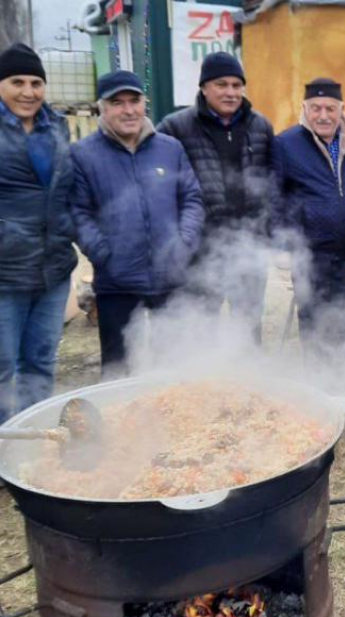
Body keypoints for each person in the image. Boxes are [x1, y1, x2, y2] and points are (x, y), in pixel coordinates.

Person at [71, 71, 205, 377]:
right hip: (117, 282)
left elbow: (192, 199)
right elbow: (78, 213)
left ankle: (173, 423)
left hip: (170, 277)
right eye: (118, 102)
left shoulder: (170, 148)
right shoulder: (82, 154)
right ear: (102, 108)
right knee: (119, 369)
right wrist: (103, 254)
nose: (128, 110)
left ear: (144, 103)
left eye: (134, 101)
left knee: (174, 365)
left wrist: (184, 243)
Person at [157, 52, 280, 344]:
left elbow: (272, 182)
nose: (230, 92)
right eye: (222, 84)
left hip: (248, 246)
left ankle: (249, 382)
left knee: (248, 326)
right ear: (204, 87)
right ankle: (200, 384)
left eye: (237, 85)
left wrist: (268, 231)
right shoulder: (176, 127)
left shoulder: (260, 126)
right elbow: (161, 189)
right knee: (200, 326)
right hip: (200, 249)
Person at [272, 78, 345, 399]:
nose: (323, 115)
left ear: (342, 109)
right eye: (316, 108)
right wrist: (287, 242)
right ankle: (320, 393)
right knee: (316, 326)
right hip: (311, 256)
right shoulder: (286, 144)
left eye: (330, 107)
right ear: (305, 109)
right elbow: (274, 199)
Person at [0, 43, 77, 424]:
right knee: (2, 370)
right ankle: (4, 445)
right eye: (17, 82)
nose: (28, 92)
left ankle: (31, 438)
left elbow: (68, 190)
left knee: (41, 362)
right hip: (5, 271)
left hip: (53, 268)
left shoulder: (56, 126)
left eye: (36, 82)